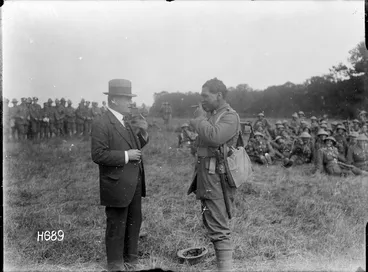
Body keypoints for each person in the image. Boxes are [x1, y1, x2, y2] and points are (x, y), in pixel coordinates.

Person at [91, 79, 149, 272]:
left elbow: (136, 146)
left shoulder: (126, 122)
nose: (130, 103)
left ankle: (131, 261)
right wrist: (127, 156)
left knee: (134, 221)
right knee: (117, 224)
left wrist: (144, 133)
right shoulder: (101, 123)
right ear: (114, 100)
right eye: (126, 98)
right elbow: (98, 154)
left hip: (134, 181)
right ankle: (115, 265)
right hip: (116, 184)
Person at [187, 78, 240, 272]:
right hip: (207, 176)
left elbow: (215, 136)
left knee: (219, 229)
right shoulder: (212, 115)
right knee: (213, 224)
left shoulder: (230, 117)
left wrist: (200, 120)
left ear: (219, 96)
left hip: (217, 178)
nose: (202, 100)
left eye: (205, 95)